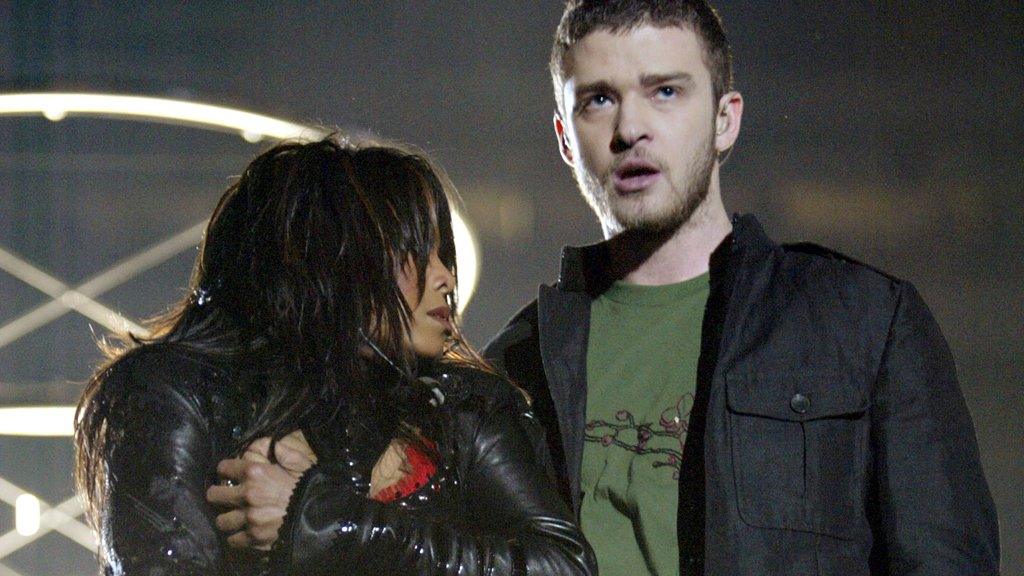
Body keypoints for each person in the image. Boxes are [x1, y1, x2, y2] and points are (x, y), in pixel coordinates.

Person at [481, 1, 1001, 575]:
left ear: (725, 119)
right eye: (599, 100)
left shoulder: (867, 323)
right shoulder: (514, 368)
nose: (630, 129)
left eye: (666, 92)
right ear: (563, 137)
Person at [74, 137, 596, 576]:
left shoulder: (465, 408)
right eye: (415, 253)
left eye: (444, 255)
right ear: (332, 259)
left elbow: (563, 567)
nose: (447, 279)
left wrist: (323, 518)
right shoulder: (177, 392)